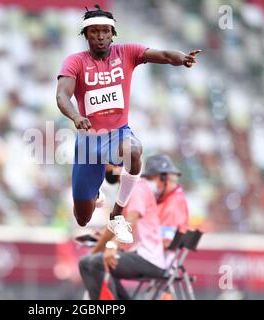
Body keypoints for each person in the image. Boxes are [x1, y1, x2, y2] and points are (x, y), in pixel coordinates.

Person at [56, 5, 201, 243]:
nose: (100, 36)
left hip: (118, 133)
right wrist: (75, 116)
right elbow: (62, 95)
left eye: (105, 31)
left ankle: (117, 215)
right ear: (86, 35)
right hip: (89, 141)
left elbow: (163, 55)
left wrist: (182, 58)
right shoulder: (75, 62)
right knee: (83, 216)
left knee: (134, 150)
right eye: (94, 32)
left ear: (113, 34)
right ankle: (96, 190)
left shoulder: (127, 53)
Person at [79, 156, 167, 300]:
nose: (104, 168)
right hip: (138, 254)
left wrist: (112, 246)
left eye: (106, 164)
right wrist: (94, 252)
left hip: (148, 258)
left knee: (96, 263)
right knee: (85, 263)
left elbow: (131, 221)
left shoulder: (137, 188)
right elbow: (112, 228)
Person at [141, 154, 189, 248]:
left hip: (158, 258)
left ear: (164, 178)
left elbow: (166, 241)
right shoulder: (165, 200)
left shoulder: (174, 203)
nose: (147, 182)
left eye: (150, 178)